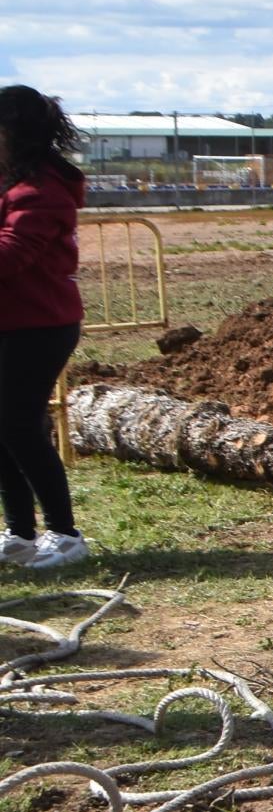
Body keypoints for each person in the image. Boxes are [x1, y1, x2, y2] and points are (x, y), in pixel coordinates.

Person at [0, 87, 89, 572]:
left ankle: (64, 533)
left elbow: (12, 255)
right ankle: (19, 533)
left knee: (19, 424)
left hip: (38, 324)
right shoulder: (13, 182)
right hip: (13, 322)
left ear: (11, 133)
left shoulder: (40, 190)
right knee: (5, 427)